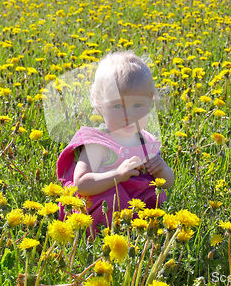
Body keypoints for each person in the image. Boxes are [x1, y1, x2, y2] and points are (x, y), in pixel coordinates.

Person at [56, 51, 174, 237]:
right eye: (118, 106)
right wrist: (118, 175)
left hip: (137, 214)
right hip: (101, 214)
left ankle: (140, 235)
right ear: (98, 105)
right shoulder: (98, 143)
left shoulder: (145, 141)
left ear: (150, 102)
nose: (129, 116)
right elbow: (81, 184)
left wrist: (162, 169)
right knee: (110, 197)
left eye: (137, 106)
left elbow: (167, 183)